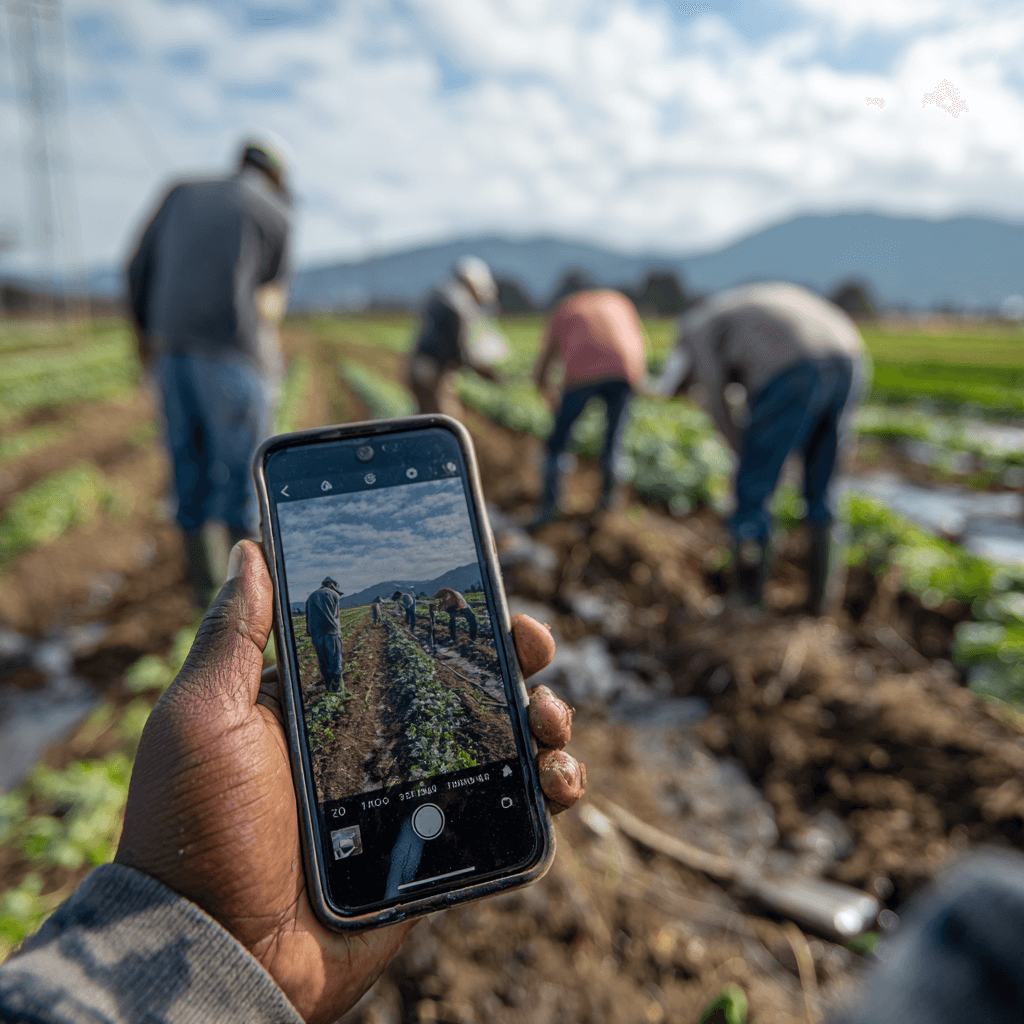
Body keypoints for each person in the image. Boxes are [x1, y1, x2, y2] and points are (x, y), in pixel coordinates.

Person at [0, 541, 585, 1023]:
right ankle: (332, 693)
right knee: (334, 671)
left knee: (354, 672)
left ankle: (334, 692)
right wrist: (224, 929)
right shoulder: (339, 603)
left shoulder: (331, 600)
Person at [127, 137, 292, 606]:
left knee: (188, 471)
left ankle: (203, 595)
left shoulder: (180, 191)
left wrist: (145, 338)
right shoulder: (275, 213)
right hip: (232, 356)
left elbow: (137, 268)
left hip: (171, 352)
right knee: (243, 478)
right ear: (277, 176)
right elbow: (270, 301)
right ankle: (245, 602)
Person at [656, 282, 869, 613]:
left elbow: (717, 400)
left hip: (794, 365)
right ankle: (820, 604)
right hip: (850, 358)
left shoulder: (694, 330)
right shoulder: (732, 309)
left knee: (752, 492)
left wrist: (748, 457)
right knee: (822, 489)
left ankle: (747, 602)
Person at [531, 285, 647, 526]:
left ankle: (550, 507)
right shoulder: (619, 301)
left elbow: (545, 361)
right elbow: (638, 341)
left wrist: (547, 393)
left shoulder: (567, 308)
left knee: (558, 442)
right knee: (614, 441)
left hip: (582, 374)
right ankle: (609, 508)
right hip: (623, 372)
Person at [406, 255, 507, 417]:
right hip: (429, 370)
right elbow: (463, 351)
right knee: (444, 421)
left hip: (425, 367)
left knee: (429, 415)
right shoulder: (457, 306)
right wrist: (488, 374)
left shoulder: (446, 296)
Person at [305, 577, 346, 695]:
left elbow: (308, 617)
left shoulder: (311, 596)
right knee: (335, 661)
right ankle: (337, 689)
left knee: (323, 661)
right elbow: (336, 615)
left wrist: (310, 631)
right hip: (331, 632)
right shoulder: (334, 594)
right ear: (331, 584)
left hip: (316, 634)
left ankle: (329, 688)